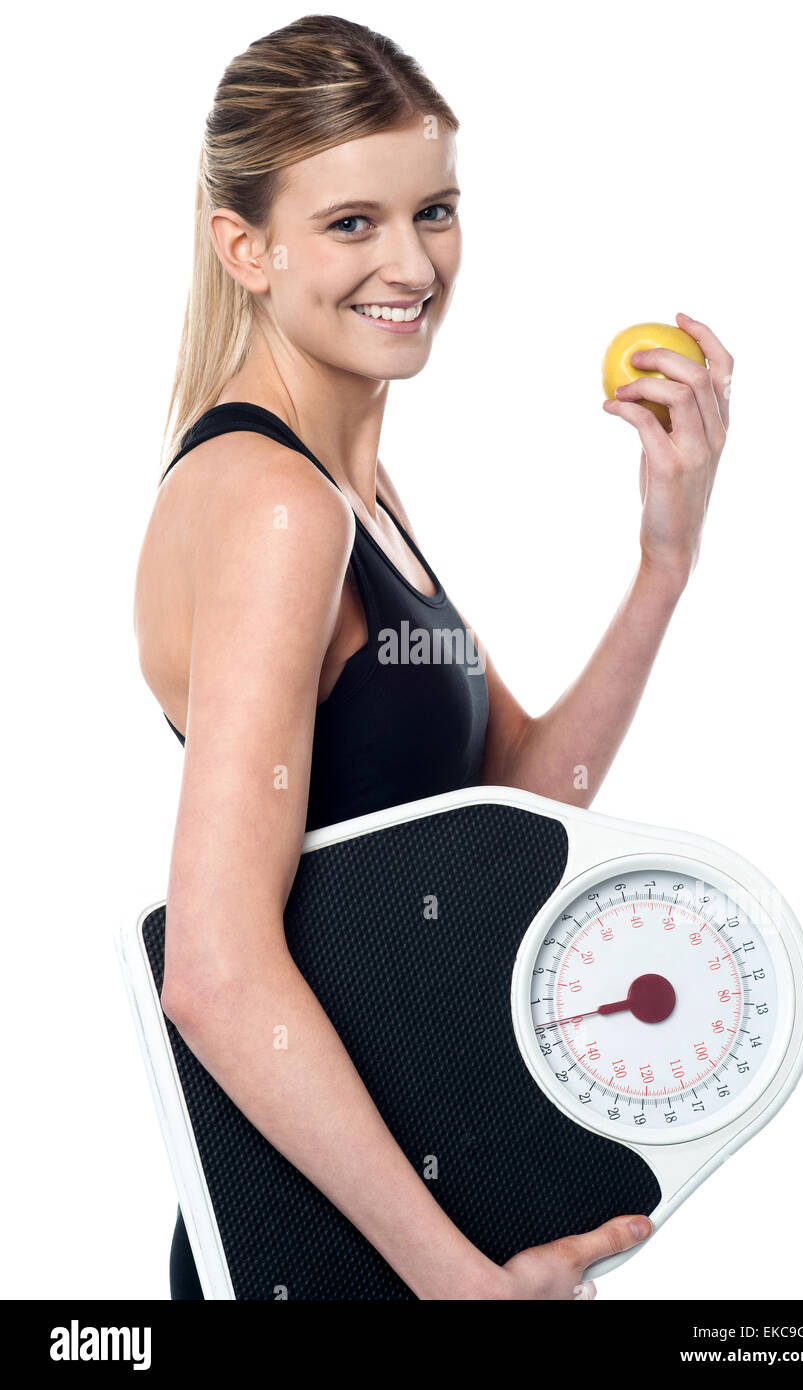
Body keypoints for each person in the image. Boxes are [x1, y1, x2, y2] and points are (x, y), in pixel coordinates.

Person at [134, 14, 731, 1301]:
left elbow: (515, 802)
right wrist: (453, 1282)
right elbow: (214, 971)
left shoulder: (354, 489)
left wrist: (663, 561)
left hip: (416, 1212)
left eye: (435, 210)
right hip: (329, 1249)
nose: (412, 262)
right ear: (247, 246)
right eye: (352, 222)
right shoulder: (275, 505)